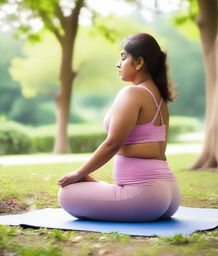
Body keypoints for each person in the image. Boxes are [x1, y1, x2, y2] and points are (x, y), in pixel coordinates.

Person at [57, 33, 181, 222]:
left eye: (123, 58)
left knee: (66, 194)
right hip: (169, 194)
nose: (118, 64)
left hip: (144, 197)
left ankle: (93, 184)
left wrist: (79, 173)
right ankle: (98, 186)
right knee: (87, 187)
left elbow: (113, 144)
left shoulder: (132, 93)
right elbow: (148, 145)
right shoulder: (158, 96)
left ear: (139, 62)